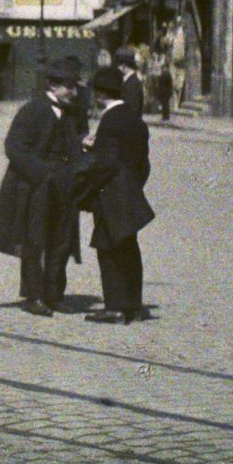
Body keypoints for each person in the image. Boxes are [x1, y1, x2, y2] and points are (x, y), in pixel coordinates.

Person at [0, 61, 85, 317]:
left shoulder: (73, 112)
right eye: (69, 87)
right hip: (36, 186)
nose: (73, 92)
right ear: (53, 85)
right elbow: (14, 147)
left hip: (65, 184)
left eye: (75, 87)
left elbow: (78, 139)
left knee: (62, 240)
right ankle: (34, 295)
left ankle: (55, 294)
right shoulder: (32, 110)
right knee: (34, 240)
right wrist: (42, 173)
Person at [77, 62, 155, 323]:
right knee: (129, 248)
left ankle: (115, 307)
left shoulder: (109, 120)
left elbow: (106, 162)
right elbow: (142, 162)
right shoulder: (134, 118)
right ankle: (133, 304)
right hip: (130, 192)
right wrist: (133, 185)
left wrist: (89, 183)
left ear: (100, 94)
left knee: (108, 250)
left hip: (109, 194)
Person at [115, 47, 147, 119]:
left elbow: (130, 111)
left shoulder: (132, 84)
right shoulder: (130, 81)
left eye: (118, 66)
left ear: (124, 66)